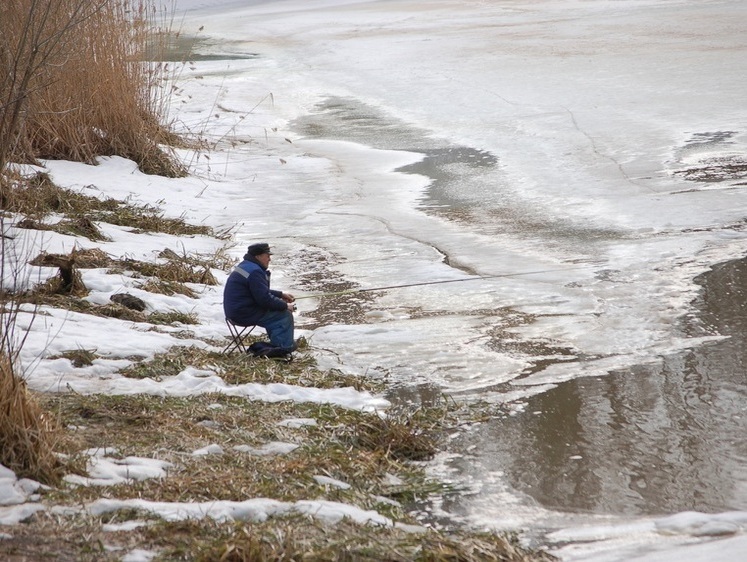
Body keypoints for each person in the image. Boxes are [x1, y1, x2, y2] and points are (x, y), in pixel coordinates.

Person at [223, 242, 297, 355]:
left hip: (235, 311)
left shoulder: (246, 266)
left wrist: (280, 294)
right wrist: (286, 306)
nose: (269, 259)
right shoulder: (255, 271)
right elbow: (264, 299)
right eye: (267, 256)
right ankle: (282, 349)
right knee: (284, 314)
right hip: (243, 314)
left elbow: (256, 291)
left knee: (277, 310)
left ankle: (279, 344)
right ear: (258, 256)